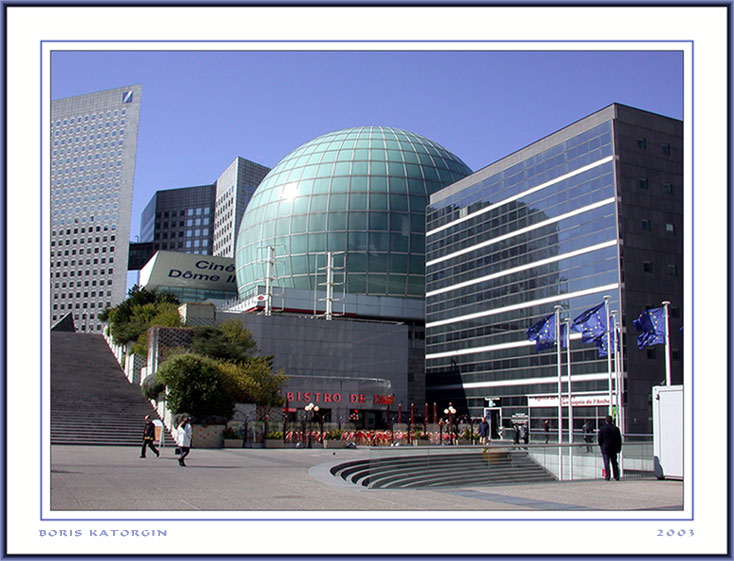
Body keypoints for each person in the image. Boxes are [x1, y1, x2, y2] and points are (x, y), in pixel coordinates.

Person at [597, 415, 622, 480]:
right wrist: (619, 448)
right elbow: (619, 439)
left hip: (605, 448)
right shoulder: (616, 429)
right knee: (614, 462)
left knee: (606, 463)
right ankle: (616, 476)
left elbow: (599, 438)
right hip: (613, 448)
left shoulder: (602, 428)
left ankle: (607, 476)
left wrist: (601, 445)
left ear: (606, 421)